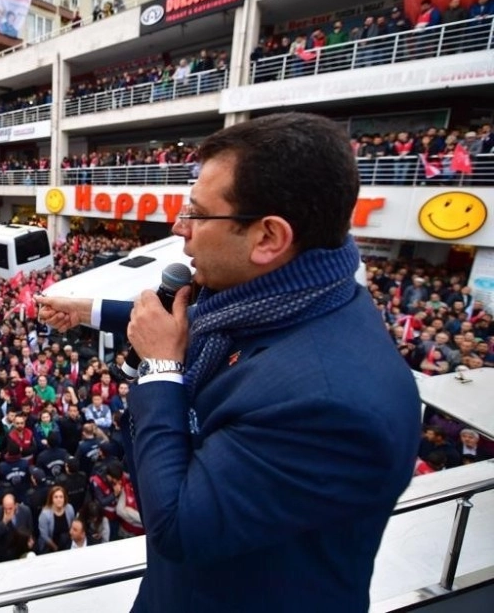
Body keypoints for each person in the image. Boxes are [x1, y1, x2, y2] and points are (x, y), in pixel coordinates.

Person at [36, 112, 420, 612]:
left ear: (268, 238)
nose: (179, 228)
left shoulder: (329, 405)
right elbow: (194, 318)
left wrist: (159, 369)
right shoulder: (295, 297)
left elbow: (175, 525)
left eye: (196, 213)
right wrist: (87, 309)